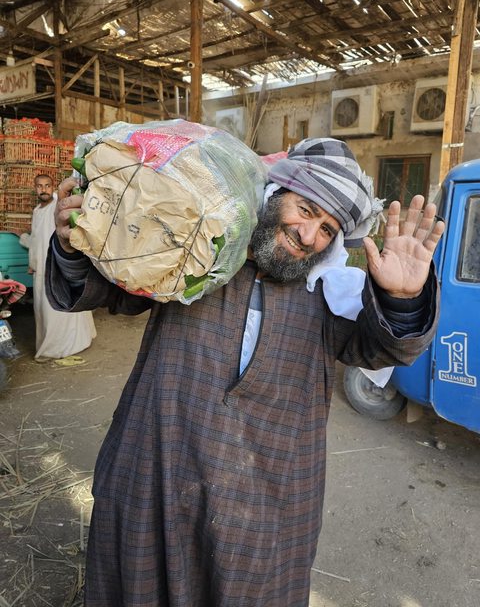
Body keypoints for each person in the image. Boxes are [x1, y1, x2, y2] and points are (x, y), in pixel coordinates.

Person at [47, 138, 443, 607]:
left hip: (264, 498)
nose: (308, 235)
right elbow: (111, 290)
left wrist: (402, 300)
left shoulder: (329, 294)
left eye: (327, 229)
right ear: (275, 196)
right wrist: (75, 245)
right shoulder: (197, 253)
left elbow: (383, 349)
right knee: (140, 584)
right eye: (305, 209)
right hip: (158, 465)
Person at [27, 173, 96, 362]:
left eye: (47, 185)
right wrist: (32, 263)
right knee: (43, 310)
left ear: (53, 187)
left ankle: (60, 348)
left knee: (59, 308)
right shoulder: (37, 211)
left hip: (57, 265)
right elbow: (35, 240)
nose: (44, 189)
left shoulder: (59, 204)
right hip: (40, 269)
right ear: (35, 189)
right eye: (40, 186)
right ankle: (53, 344)